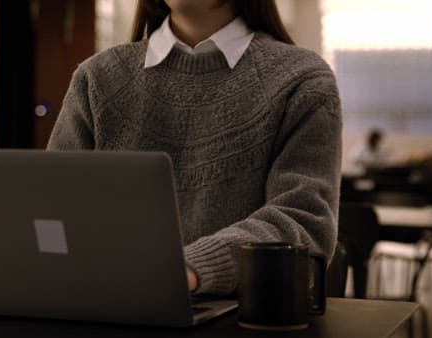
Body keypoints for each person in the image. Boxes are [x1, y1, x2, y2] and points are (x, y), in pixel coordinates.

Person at [47, 0, 341, 295]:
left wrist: (189, 270)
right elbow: (49, 212)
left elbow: (303, 221)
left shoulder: (302, 81)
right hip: (105, 307)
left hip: (243, 321)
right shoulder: (96, 79)